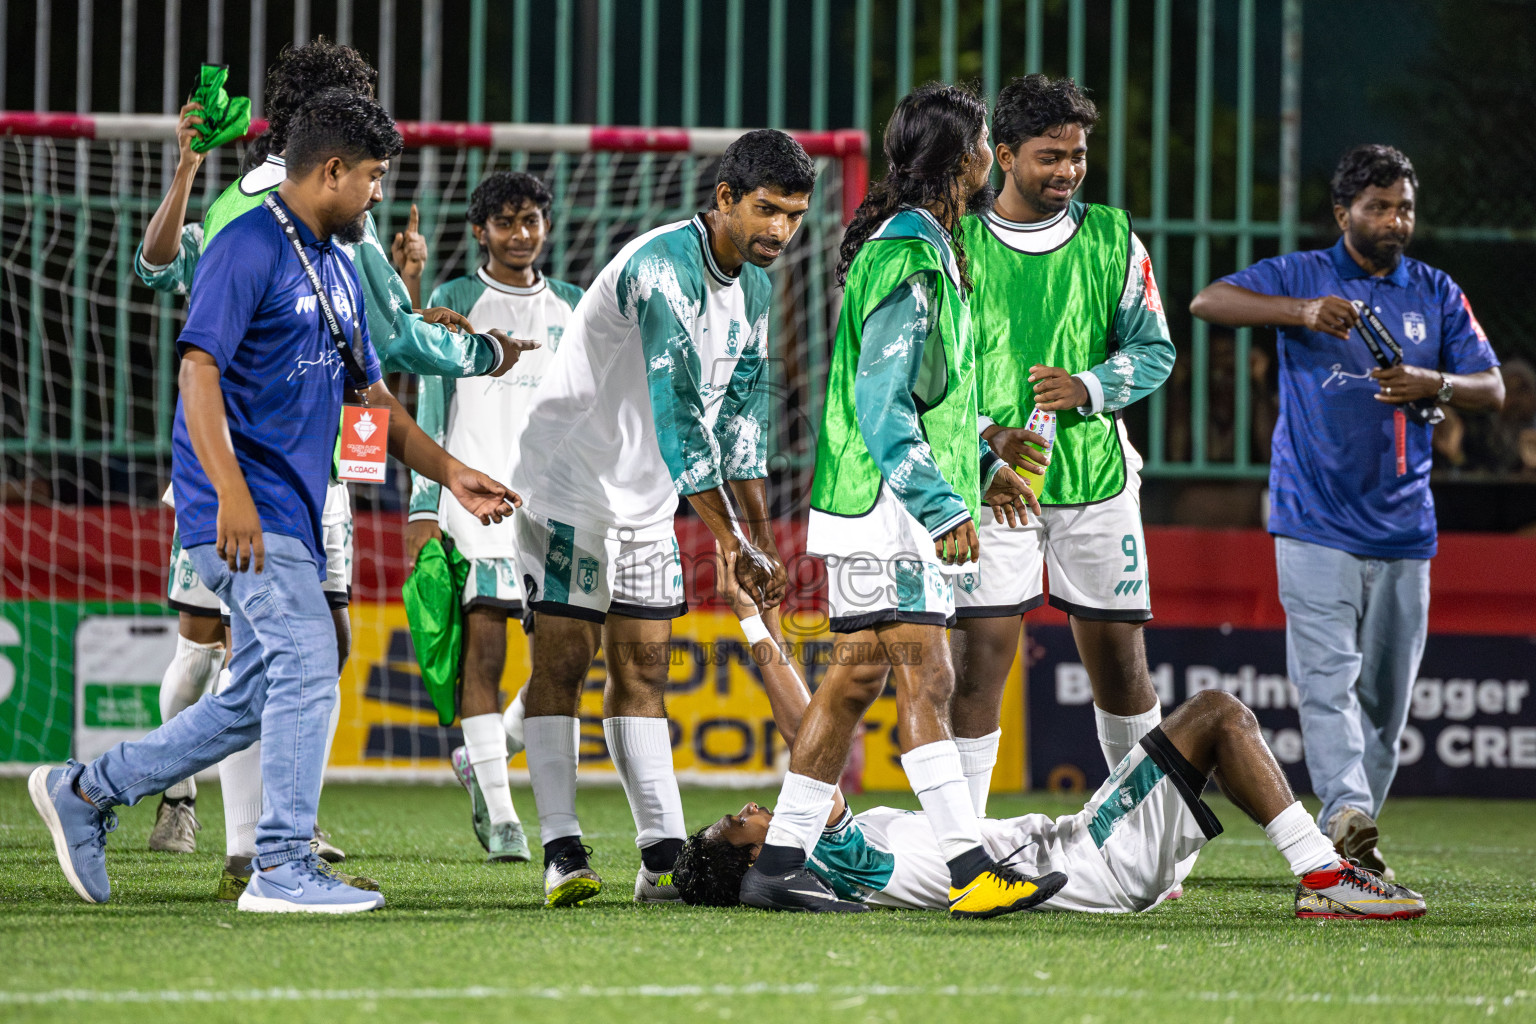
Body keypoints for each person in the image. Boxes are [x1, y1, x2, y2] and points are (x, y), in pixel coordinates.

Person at [30, 89, 519, 914]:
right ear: (330, 170)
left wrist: (454, 471)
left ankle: (87, 791)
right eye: (371, 177)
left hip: (292, 511)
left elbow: (371, 398)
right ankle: (282, 862)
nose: (377, 194)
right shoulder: (245, 244)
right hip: (239, 511)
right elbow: (198, 370)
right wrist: (227, 492)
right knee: (309, 662)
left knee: (259, 691)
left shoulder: (335, 263)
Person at [674, 549, 1427, 921]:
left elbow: (811, 736)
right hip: (1092, 860)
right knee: (1218, 716)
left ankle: (1309, 866)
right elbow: (812, 728)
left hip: (1084, 848)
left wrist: (657, 879)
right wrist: (754, 623)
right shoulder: (828, 855)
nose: (761, 811)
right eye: (745, 822)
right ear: (753, 860)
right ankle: (1324, 876)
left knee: (1203, 732)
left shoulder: (848, 862)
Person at [736, 84, 1046, 918]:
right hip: (892, 506)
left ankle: (774, 866)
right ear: (961, 159)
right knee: (928, 673)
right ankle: (970, 866)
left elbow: (928, 393)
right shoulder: (910, 254)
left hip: (872, 497)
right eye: (983, 143)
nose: (992, 155)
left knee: (853, 682)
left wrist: (982, 463)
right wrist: (943, 506)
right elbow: (883, 402)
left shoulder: (921, 246)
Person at [511, 129, 815, 907]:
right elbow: (682, 418)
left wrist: (760, 548)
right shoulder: (661, 269)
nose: (780, 230)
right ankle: (563, 849)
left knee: (644, 670)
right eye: (766, 209)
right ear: (723, 200)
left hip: (647, 503)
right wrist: (729, 542)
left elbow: (742, 429)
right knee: (565, 667)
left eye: (794, 215)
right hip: (571, 485)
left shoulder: (753, 287)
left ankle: (661, 858)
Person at [1190, 144, 1504, 878]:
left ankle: (1353, 838)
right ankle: (1343, 813)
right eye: (1379, 208)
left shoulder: (1433, 289)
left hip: (1404, 529)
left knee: (1385, 709)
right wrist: (1300, 311)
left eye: (1405, 209)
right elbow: (1209, 301)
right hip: (1312, 522)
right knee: (1326, 683)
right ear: (1343, 213)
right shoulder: (1304, 275)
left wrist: (1437, 382)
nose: (1396, 221)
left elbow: (1491, 385)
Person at [950, 75, 1176, 812]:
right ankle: (962, 843)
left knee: (1119, 660)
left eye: (1078, 156)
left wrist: (1089, 385)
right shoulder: (954, 240)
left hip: (1095, 477)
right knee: (980, 659)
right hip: (991, 483)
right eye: (1050, 157)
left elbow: (1155, 350)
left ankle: (1142, 838)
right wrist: (982, 433)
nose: (1068, 172)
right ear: (1005, 155)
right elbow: (933, 370)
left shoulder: (1114, 237)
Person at [405, 171, 584, 864]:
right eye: (505, 222)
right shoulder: (455, 300)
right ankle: (505, 817)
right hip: (470, 500)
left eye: (532, 219)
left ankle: (481, 760)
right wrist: (426, 502)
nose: (521, 234)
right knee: (485, 649)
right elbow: (426, 396)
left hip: (551, 505)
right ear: (480, 230)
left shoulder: (571, 306)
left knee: (563, 659)